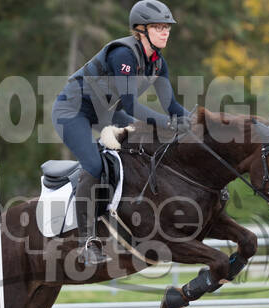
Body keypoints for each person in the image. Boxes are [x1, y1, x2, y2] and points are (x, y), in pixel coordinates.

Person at [52, 0, 190, 265]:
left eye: (167, 27)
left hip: (106, 112)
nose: (165, 32)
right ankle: (88, 241)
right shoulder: (123, 54)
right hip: (73, 111)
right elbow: (132, 105)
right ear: (140, 30)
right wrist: (169, 123)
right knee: (94, 165)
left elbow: (171, 107)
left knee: (146, 146)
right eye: (159, 27)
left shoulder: (158, 63)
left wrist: (197, 124)